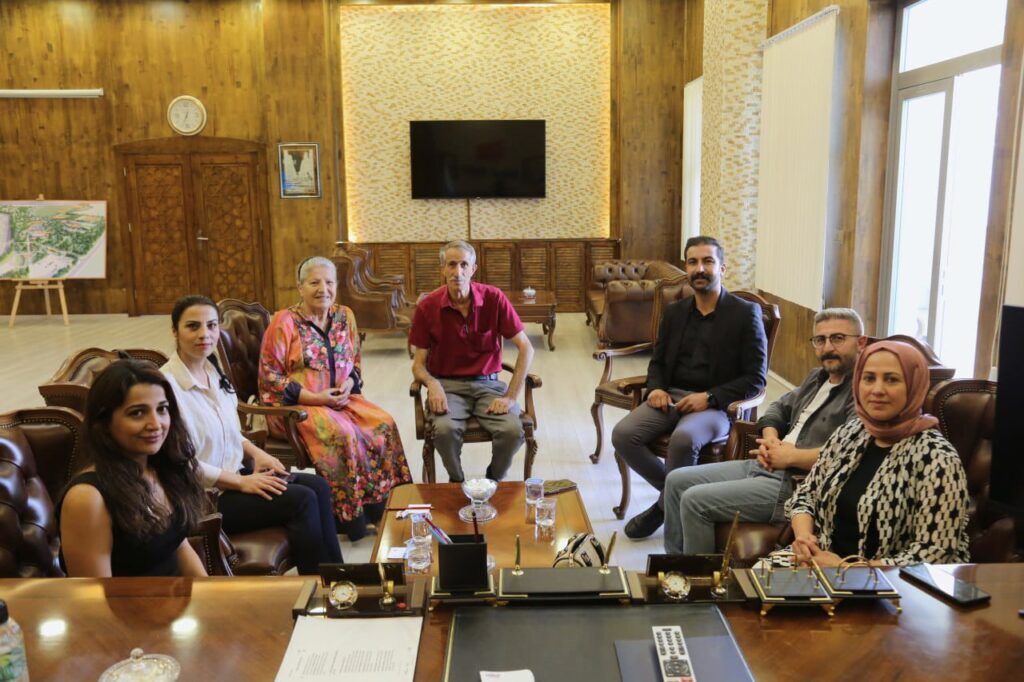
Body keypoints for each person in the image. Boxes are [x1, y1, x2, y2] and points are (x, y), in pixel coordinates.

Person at [162, 295, 343, 574]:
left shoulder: (213, 371)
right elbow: (178, 463)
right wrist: (241, 482)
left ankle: (339, 580)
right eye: (193, 326)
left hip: (233, 478)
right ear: (175, 331)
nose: (204, 334)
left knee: (318, 486)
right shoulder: (167, 387)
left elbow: (231, 432)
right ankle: (316, 585)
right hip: (203, 498)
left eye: (211, 325)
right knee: (302, 500)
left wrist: (257, 454)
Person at [663, 308, 866, 555]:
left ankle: (699, 577)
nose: (827, 347)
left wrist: (789, 457)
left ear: (861, 342)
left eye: (837, 338)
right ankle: (674, 569)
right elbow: (777, 409)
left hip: (795, 483)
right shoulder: (818, 377)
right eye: (820, 340)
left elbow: (849, 453)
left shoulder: (862, 391)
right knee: (675, 480)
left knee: (694, 501)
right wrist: (771, 439)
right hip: (767, 463)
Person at [612, 236, 767, 539]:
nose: (700, 268)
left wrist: (710, 397)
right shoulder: (675, 312)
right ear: (686, 268)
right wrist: (656, 388)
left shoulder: (745, 314)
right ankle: (673, 498)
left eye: (708, 261)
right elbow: (658, 362)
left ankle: (662, 509)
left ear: (722, 268)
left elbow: (755, 378)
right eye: (693, 262)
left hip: (716, 405)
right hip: (671, 397)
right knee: (623, 434)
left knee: (683, 439)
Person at [259, 256, 411, 542]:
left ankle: (384, 510)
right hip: (298, 407)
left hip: (341, 399)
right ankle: (350, 519)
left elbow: (355, 363)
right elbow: (270, 377)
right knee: (343, 435)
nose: (323, 289)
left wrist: (349, 384)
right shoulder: (284, 321)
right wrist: (317, 398)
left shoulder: (345, 315)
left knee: (384, 425)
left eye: (329, 282)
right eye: (314, 283)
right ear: (300, 287)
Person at [786, 340, 970, 566]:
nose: (877, 390)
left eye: (891, 379)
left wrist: (845, 569)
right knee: (752, 581)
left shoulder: (938, 458)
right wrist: (805, 539)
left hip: (888, 583)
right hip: (821, 562)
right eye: (869, 378)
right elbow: (806, 494)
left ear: (914, 386)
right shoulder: (849, 433)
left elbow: (934, 553)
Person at [57, 360, 209, 577]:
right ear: (104, 422)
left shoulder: (160, 468)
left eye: (162, 409)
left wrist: (209, 592)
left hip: (176, 596)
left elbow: (178, 545)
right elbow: (94, 593)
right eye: (137, 413)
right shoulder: (87, 498)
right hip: (126, 601)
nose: (156, 424)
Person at [409, 240, 536, 482]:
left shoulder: (494, 298)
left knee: (511, 431)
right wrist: (432, 384)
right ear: (443, 269)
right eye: (451, 264)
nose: (457, 272)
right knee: (444, 431)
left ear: (473, 269)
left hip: (488, 384)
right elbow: (418, 364)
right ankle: (458, 483)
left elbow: (526, 348)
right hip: (447, 386)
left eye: (464, 265)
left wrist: (510, 396)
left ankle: (491, 482)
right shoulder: (428, 306)